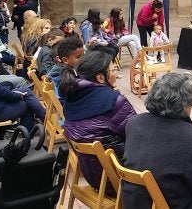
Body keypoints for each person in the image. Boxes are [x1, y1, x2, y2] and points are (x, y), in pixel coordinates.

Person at [123, 73, 192, 208]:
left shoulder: (134, 123)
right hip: (165, 204)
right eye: (191, 104)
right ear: (185, 105)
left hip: (133, 202)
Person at [58, 50, 136, 191]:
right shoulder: (114, 101)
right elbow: (138, 135)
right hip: (121, 179)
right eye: (113, 70)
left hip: (94, 177)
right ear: (100, 77)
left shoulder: (71, 99)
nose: (117, 74)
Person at [0, 29, 45, 130]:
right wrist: (17, 96)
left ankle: (41, 123)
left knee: (26, 92)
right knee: (25, 104)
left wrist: (15, 94)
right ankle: (28, 138)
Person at [46, 36, 85, 103]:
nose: (83, 59)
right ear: (65, 60)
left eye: (83, 55)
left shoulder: (74, 71)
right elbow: (62, 99)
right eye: (78, 57)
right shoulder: (61, 78)